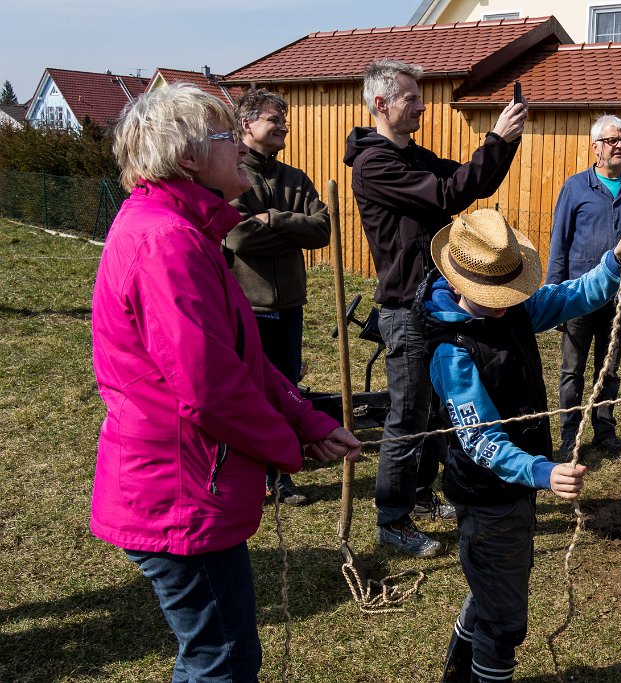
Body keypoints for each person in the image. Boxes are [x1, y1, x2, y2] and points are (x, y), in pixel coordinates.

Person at [90, 84, 362, 682]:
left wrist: (307, 420)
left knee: (219, 655)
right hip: (179, 492)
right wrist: (287, 449)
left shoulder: (186, 230)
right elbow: (210, 387)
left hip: (189, 480)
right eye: (224, 136)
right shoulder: (166, 241)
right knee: (223, 661)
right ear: (188, 158)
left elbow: (243, 360)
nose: (240, 144)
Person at [415, 208, 621, 683]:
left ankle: (459, 669)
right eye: (493, 296)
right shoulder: (452, 349)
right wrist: (543, 472)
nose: (505, 304)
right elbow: (479, 440)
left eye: (508, 292)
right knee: (505, 619)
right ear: (459, 284)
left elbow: (567, 297)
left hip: (512, 487)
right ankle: (485, 669)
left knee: (494, 587)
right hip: (487, 493)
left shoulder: (511, 308)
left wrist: (611, 263)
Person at [344, 59, 527, 557]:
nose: (421, 105)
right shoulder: (375, 164)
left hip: (435, 298)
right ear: (380, 104)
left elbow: (473, 183)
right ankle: (392, 519)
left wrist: (502, 145)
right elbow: (448, 193)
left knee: (435, 407)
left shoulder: (409, 155)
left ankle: (421, 495)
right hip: (405, 306)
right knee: (407, 414)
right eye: (411, 98)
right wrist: (496, 138)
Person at [224, 87, 332, 507]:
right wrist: (291, 233)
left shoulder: (294, 179)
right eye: (274, 119)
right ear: (247, 124)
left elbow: (322, 231)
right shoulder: (232, 174)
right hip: (245, 306)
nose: (283, 125)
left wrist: (273, 219)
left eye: (284, 119)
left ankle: (280, 476)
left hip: (288, 305)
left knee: (287, 388)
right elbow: (237, 237)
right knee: (248, 390)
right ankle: (246, 473)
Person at [545, 114, 621, 460]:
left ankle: (605, 433)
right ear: (595, 148)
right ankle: (568, 437)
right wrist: (554, 296)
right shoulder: (576, 187)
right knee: (571, 370)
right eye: (612, 140)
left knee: (608, 369)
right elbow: (559, 242)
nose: (620, 145)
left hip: (619, 295)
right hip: (578, 295)